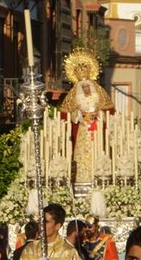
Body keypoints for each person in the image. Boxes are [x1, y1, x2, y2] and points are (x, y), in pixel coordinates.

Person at [60, 50, 114, 183]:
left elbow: (109, 112)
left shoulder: (100, 92)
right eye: (82, 87)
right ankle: (80, 177)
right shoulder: (72, 94)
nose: (86, 90)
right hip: (82, 131)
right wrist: (80, 115)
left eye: (87, 87)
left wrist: (98, 114)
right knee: (81, 154)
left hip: (97, 129)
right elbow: (65, 116)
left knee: (98, 151)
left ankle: (99, 175)